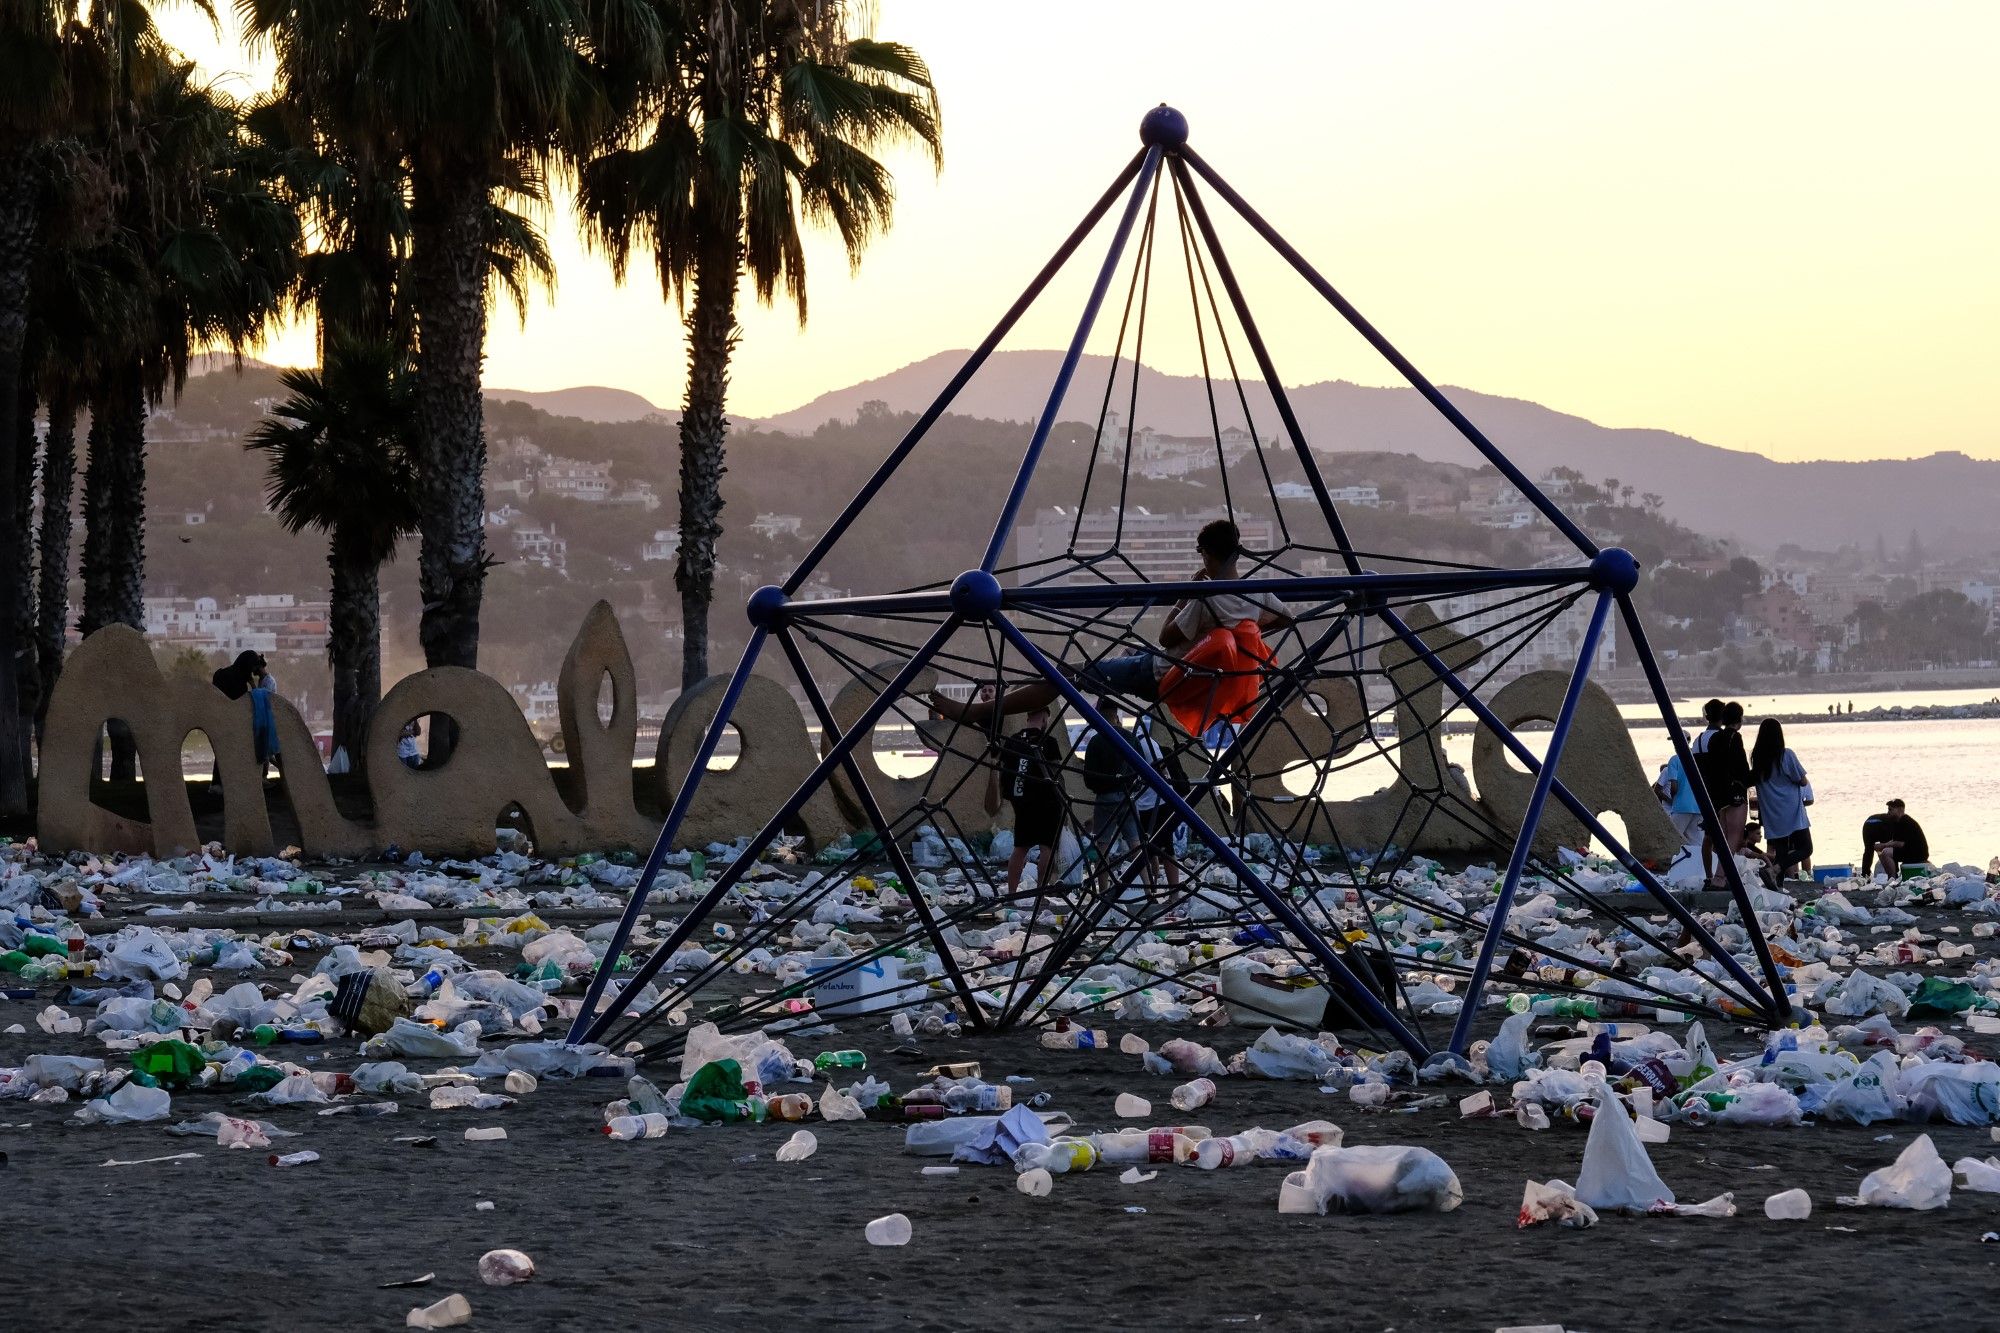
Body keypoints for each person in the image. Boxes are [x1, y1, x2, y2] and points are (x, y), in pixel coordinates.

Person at [930, 519, 1294, 728]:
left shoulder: (1206, 596)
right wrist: (1243, 634)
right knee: (1068, 675)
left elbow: (1167, 639)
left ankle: (978, 712)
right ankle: (991, 707)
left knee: (1066, 675)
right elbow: (1286, 616)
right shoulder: (1255, 592)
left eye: (1200, 553)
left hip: (1160, 673)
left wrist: (1187, 595)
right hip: (1205, 681)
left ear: (1207, 554)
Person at [985, 708, 1065, 899]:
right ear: (1045, 718)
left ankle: (1012, 892)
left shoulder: (1013, 741)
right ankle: (1040, 893)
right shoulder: (1049, 742)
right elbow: (1056, 774)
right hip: (1047, 802)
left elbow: (1005, 771)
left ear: (1027, 717)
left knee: (1020, 847)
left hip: (1021, 803)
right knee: (1047, 847)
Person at [1693, 701, 1751, 888]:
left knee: (1713, 837)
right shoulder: (1732, 737)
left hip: (1711, 793)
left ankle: (1713, 876)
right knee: (1733, 835)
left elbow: (1702, 768)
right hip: (1732, 792)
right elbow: (1740, 766)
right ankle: (1720, 877)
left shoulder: (1701, 739)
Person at [1749, 718, 1812, 884]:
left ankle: (1777, 886)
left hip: (1771, 812)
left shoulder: (1757, 757)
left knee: (1782, 851)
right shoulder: (1786, 755)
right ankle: (1774, 870)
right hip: (1791, 810)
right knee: (1806, 848)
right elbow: (1802, 780)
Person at [1130, 721, 1187, 893]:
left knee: (1161, 849)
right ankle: (1159, 888)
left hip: (1153, 803)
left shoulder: (1138, 745)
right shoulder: (1151, 744)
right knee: (1157, 848)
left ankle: (1167, 892)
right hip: (1157, 801)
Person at [1080, 698, 1138, 862]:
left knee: (1102, 845)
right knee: (1136, 843)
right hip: (1128, 797)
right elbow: (1142, 769)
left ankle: (1102, 885)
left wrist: (1099, 788)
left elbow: (1089, 776)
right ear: (1116, 716)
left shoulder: (1096, 741)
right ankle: (1149, 886)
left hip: (1105, 798)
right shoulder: (1130, 738)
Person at [1863, 798, 1930, 879]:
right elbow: (1895, 841)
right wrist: (1882, 846)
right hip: (1909, 851)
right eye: (1888, 809)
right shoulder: (1897, 822)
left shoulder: (1906, 821)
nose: (1888, 812)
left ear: (1900, 810)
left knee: (1886, 852)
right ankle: (1891, 877)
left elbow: (1900, 843)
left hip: (1918, 853)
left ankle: (1893, 878)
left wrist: (1884, 845)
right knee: (1882, 852)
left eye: (1891, 810)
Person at [1653, 741, 1701, 843]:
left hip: (1681, 807)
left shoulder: (1675, 760)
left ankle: (1671, 859)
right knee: (1695, 840)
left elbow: (1673, 787)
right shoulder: (1697, 760)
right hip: (1698, 807)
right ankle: (1697, 858)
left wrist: (1673, 798)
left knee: (1672, 838)